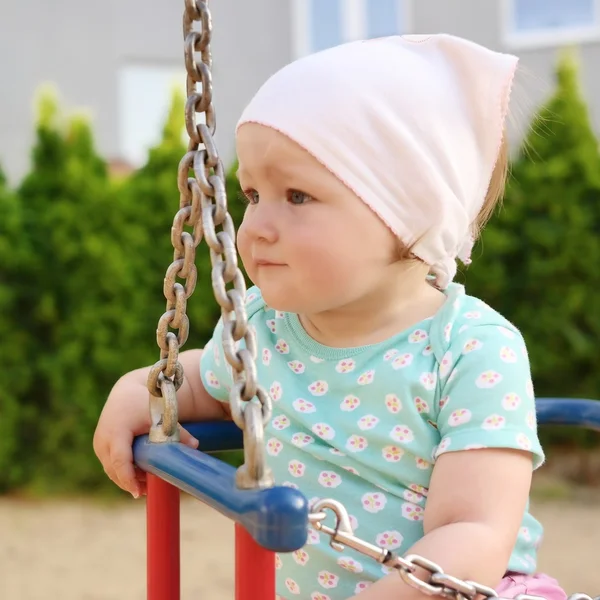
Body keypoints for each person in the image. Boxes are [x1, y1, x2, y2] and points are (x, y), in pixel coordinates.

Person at [94, 34, 567, 600]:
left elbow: (473, 532)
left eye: (296, 196)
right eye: (250, 195)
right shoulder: (263, 327)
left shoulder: (472, 349)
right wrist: (138, 392)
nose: (256, 226)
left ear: (407, 211)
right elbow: (205, 380)